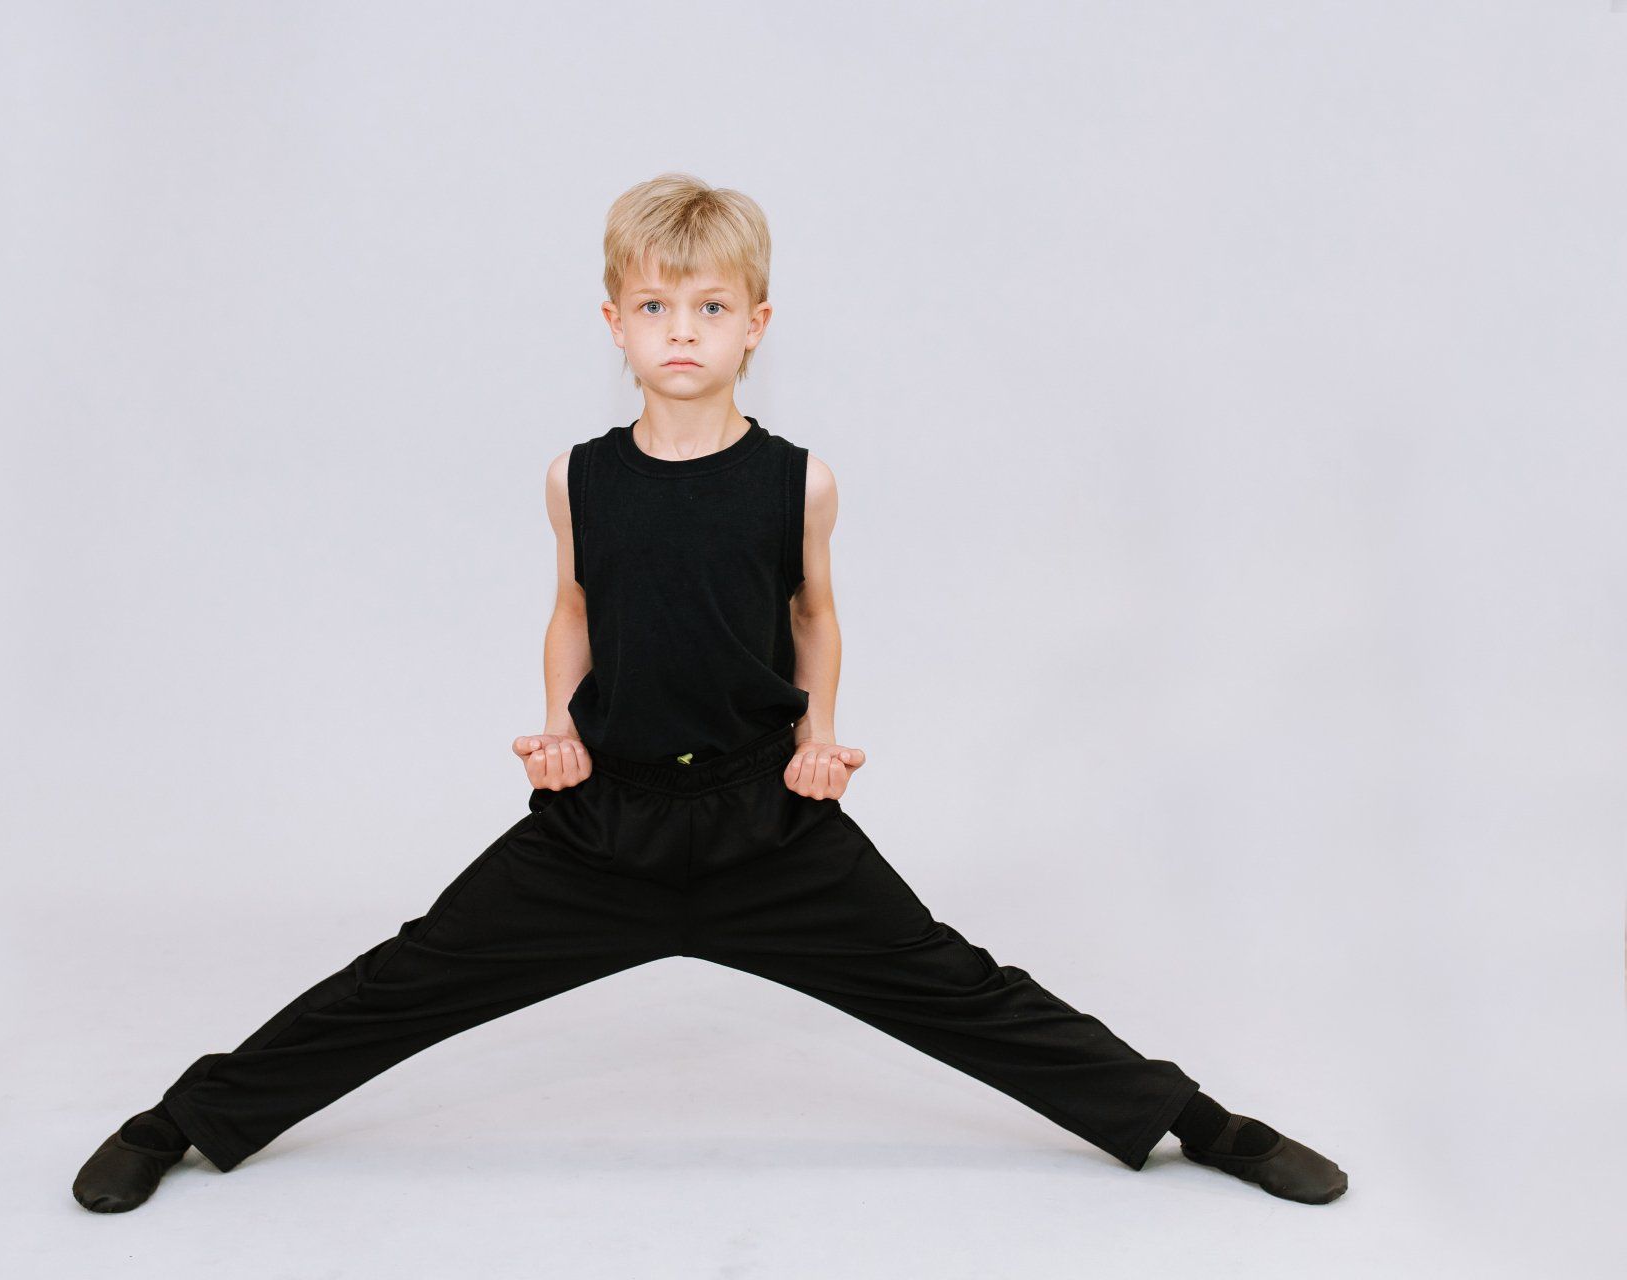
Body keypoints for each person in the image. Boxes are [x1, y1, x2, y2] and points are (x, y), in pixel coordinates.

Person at [73, 173, 1346, 1213]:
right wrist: (564, 733)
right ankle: (179, 1118)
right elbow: (573, 613)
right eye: (654, 304)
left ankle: (1197, 1118)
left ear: (758, 324)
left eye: (710, 305)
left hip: (763, 823)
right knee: (404, 978)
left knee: (965, 987)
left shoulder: (800, 480)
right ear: (615, 324)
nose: (682, 328)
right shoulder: (579, 476)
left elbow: (815, 616)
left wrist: (822, 739)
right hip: (603, 826)